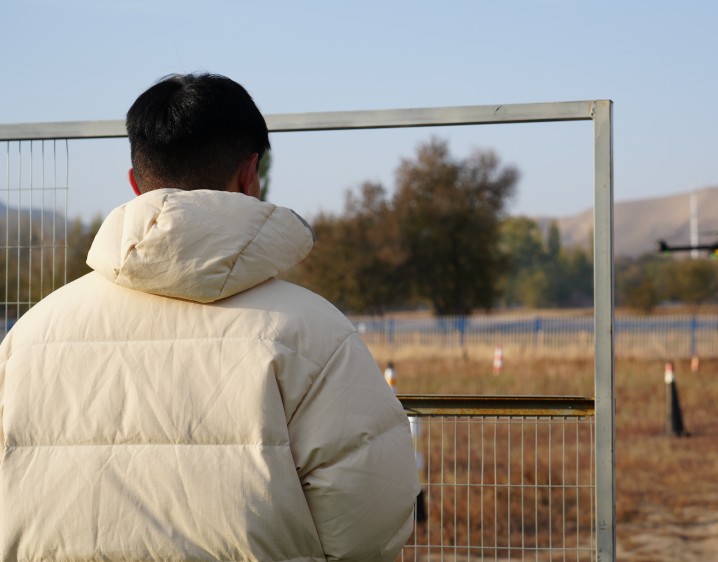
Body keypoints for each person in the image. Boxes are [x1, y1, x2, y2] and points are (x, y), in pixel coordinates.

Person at [0, 73, 418, 561]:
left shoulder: (30, 336)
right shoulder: (316, 334)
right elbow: (369, 517)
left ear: (135, 184)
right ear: (250, 173)